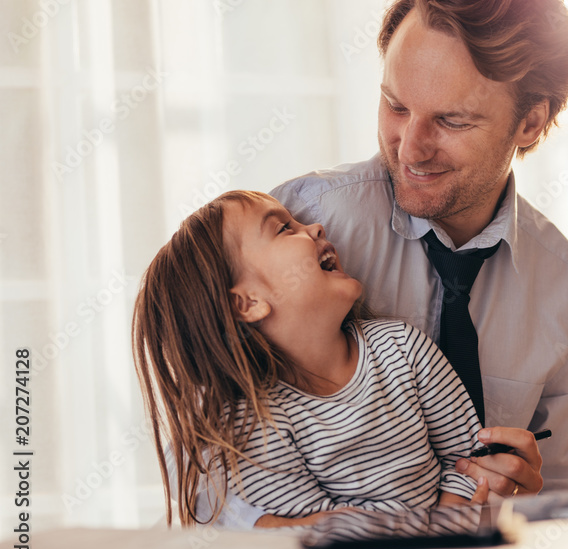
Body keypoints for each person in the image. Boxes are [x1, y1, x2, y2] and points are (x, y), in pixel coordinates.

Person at [265, 0, 568, 511]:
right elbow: (213, 480)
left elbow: (559, 507)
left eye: (451, 120)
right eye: (396, 106)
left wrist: (523, 502)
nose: (409, 149)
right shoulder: (302, 228)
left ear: (530, 124)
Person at [132, 190, 489, 526]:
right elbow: (320, 531)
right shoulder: (255, 425)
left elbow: (470, 462)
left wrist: (443, 539)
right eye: (285, 228)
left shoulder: (404, 349)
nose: (316, 228)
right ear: (248, 302)